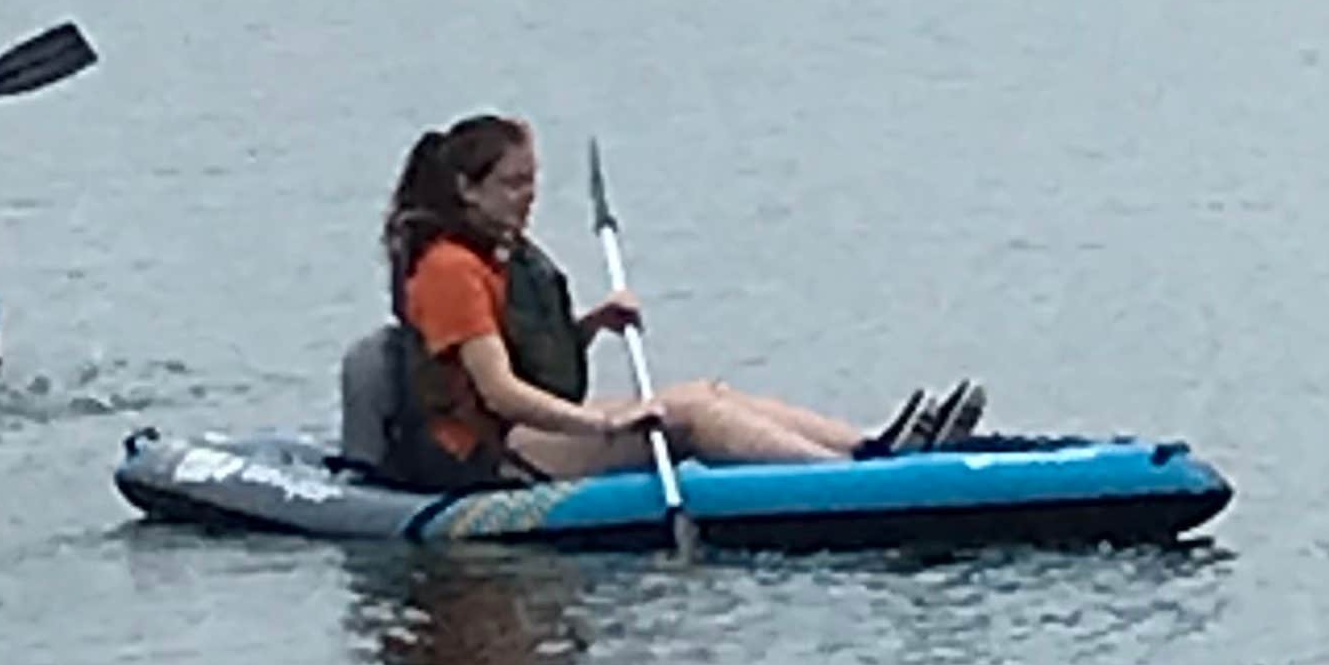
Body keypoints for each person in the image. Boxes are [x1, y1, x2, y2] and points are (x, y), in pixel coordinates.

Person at [381, 114, 978, 490]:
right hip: (494, 454)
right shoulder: (450, 270)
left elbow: (522, 352)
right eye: (513, 184)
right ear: (466, 188)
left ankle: (870, 448)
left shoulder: (495, 256)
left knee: (706, 392)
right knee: (688, 418)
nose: (528, 198)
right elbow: (499, 391)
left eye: (533, 181)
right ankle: (849, 481)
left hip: (525, 431)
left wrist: (590, 326)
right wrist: (604, 423)